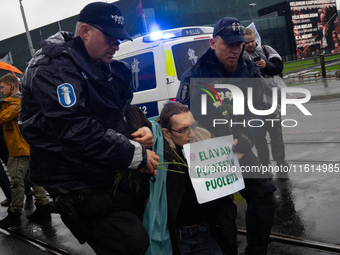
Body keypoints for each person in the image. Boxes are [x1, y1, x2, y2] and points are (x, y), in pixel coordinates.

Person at [19, 2, 159, 255]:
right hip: (78, 179)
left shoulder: (104, 65)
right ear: (85, 31)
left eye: (119, 39)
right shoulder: (53, 67)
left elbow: (123, 110)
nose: (117, 45)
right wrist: (134, 154)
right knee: (130, 243)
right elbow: (75, 128)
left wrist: (144, 129)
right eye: (111, 38)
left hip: (109, 172)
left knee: (136, 235)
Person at [176, 17, 276, 255]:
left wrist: (246, 135)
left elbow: (257, 109)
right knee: (219, 213)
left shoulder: (249, 69)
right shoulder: (194, 75)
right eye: (229, 44)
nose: (235, 49)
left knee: (263, 194)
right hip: (209, 152)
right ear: (213, 43)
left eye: (239, 43)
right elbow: (182, 118)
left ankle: (256, 251)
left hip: (239, 146)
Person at [159, 101, 238, 255]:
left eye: (193, 126)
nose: (192, 134)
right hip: (177, 237)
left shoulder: (207, 142)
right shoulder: (161, 157)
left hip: (206, 231)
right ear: (166, 132)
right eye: (183, 130)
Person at [0, 73, 50, 228]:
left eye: (2, 87)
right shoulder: (19, 101)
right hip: (23, 147)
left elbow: (2, 117)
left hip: (18, 149)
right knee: (32, 178)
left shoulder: (16, 103)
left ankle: (14, 214)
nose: (1, 91)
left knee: (15, 181)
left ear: (12, 86)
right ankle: (42, 207)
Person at [243, 27, 289, 170]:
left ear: (255, 39)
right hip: (254, 106)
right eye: (247, 43)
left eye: (252, 41)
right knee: (259, 139)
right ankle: (265, 166)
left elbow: (279, 67)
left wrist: (266, 65)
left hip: (272, 104)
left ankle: (281, 163)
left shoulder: (266, 50)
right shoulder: (241, 56)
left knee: (276, 137)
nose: (250, 45)